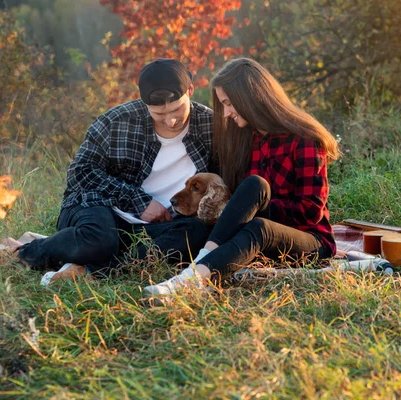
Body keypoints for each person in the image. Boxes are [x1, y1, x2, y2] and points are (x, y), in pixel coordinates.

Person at [143, 57, 341, 296]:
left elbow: (311, 211)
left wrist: (255, 208)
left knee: (258, 215)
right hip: (255, 236)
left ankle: (188, 279)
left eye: (228, 103)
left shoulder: (305, 140)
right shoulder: (246, 139)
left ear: (250, 98)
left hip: (308, 241)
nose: (226, 113)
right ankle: (201, 267)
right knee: (246, 198)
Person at [11, 59, 214, 278]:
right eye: (159, 114)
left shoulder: (210, 125)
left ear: (191, 90)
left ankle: (91, 267)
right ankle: (21, 252)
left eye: (176, 109)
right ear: (145, 104)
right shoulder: (117, 120)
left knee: (196, 232)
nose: (171, 121)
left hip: (160, 226)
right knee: (100, 240)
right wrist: (139, 202)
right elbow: (80, 172)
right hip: (99, 208)